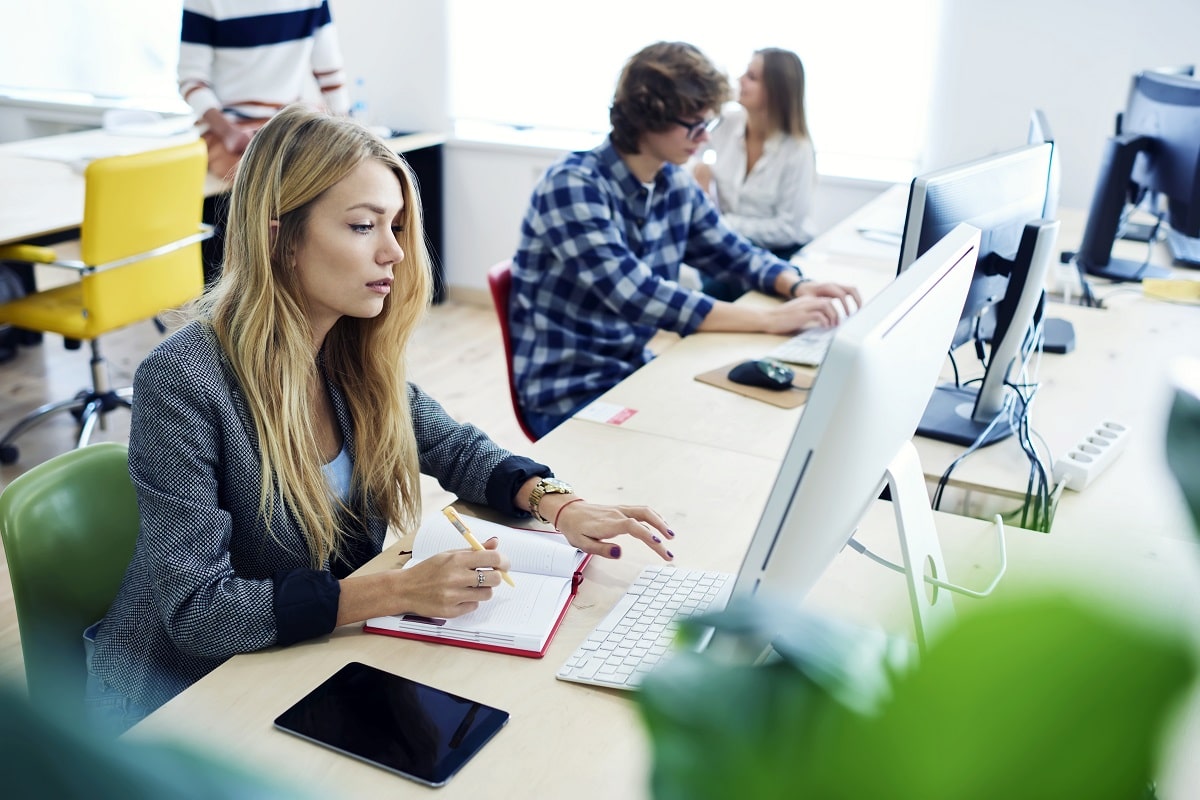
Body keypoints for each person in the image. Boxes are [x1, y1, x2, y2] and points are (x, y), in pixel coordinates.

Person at [83, 105, 675, 736]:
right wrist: (394, 591)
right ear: (279, 237)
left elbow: (454, 447)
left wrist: (557, 503)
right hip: (182, 699)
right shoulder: (185, 380)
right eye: (364, 225)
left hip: (303, 660)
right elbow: (195, 613)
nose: (394, 251)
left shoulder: (345, 350)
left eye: (394, 225)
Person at [509, 41, 861, 438]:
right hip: (570, 392)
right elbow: (641, 295)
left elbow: (729, 251)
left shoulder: (672, 180)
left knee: (744, 429)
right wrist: (770, 319)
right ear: (646, 118)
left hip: (634, 368)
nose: (704, 139)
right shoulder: (572, 185)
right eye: (694, 126)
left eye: (707, 124)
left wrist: (797, 285)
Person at [178, 0, 353, 284]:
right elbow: (191, 80)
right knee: (258, 196)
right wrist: (228, 132)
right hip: (227, 128)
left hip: (287, 122)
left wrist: (347, 129)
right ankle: (244, 293)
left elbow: (329, 70)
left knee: (326, 183)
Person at [692, 48, 817, 300]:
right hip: (728, 246)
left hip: (779, 252)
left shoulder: (798, 149)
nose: (740, 80)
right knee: (710, 297)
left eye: (751, 76)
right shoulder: (728, 121)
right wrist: (700, 173)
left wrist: (721, 224)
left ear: (776, 90)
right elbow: (685, 149)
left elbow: (787, 228)